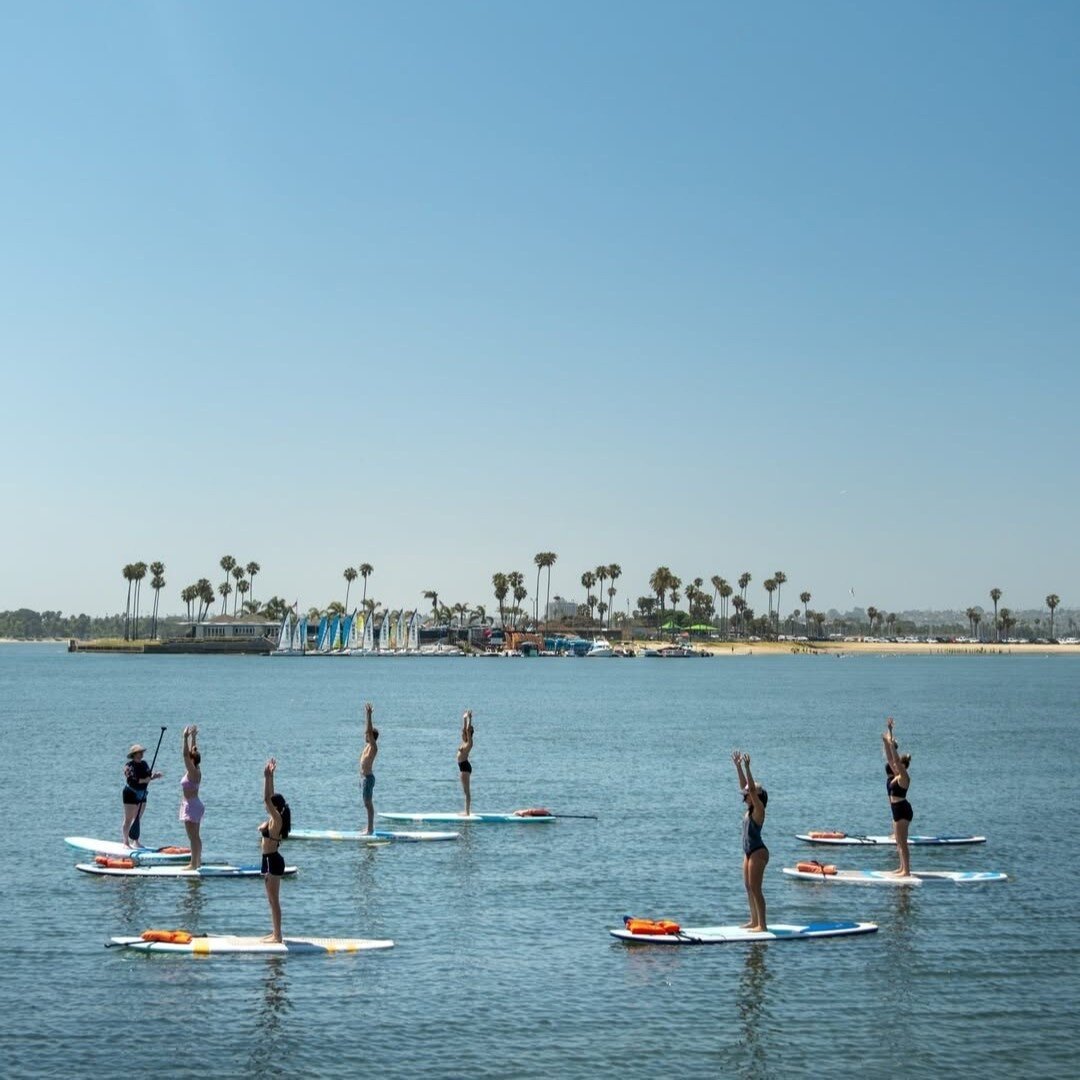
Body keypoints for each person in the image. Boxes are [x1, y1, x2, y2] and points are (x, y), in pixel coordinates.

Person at [732, 750, 768, 932]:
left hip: (758, 852)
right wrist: (738, 767)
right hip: (748, 852)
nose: (744, 796)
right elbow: (746, 786)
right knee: (748, 887)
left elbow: (751, 789)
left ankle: (762, 925)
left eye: (747, 795)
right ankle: (754, 921)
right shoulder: (750, 808)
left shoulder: (759, 810)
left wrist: (747, 767)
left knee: (756, 888)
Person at [259, 758, 290, 943]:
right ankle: (275, 932)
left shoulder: (277, 820)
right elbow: (269, 797)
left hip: (274, 860)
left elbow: (266, 798)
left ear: (276, 808)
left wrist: (265, 778)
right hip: (269, 859)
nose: (267, 806)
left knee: (275, 900)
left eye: (271, 805)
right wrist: (271, 776)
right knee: (271, 901)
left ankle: (278, 936)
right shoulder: (275, 817)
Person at [882, 717, 913, 876]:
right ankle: (902, 868)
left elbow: (894, 759)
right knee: (898, 842)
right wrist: (888, 736)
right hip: (896, 810)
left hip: (903, 810)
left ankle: (906, 871)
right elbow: (889, 758)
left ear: (903, 766)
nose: (895, 766)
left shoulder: (904, 777)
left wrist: (890, 740)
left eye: (898, 765)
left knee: (903, 842)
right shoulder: (896, 776)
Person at [122, 743, 163, 847]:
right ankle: (126, 842)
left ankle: (135, 841)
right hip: (130, 793)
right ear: (134, 754)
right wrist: (145, 780)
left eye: (141, 752)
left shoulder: (144, 764)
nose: (141, 754)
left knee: (137, 818)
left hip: (142, 793)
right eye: (138, 753)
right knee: (128, 819)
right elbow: (132, 780)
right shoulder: (128, 766)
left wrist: (154, 776)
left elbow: (148, 776)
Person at [179, 725, 204, 870]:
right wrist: (194, 737)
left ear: (192, 760)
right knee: (196, 836)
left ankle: (193, 864)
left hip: (192, 805)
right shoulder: (196, 769)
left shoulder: (193, 771)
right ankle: (197, 862)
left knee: (192, 837)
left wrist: (185, 738)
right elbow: (193, 752)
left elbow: (185, 755)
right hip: (194, 804)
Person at [360, 702, 379, 834]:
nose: (365, 735)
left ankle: (370, 828)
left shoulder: (373, 746)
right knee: (366, 804)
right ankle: (369, 827)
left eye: (367, 734)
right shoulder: (367, 746)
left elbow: (369, 730)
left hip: (369, 778)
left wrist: (369, 715)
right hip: (365, 778)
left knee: (368, 804)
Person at [457, 710, 474, 816]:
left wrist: (469, 719)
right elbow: (464, 730)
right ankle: (466, 811)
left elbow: (467, 730)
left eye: (465, 733)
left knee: (466, 792)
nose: (463, 733)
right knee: (465, 791)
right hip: (463, 767)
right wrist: (464, 718)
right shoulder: (464, 741)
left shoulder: (469, 743)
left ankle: (467, 813)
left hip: (465, 767)